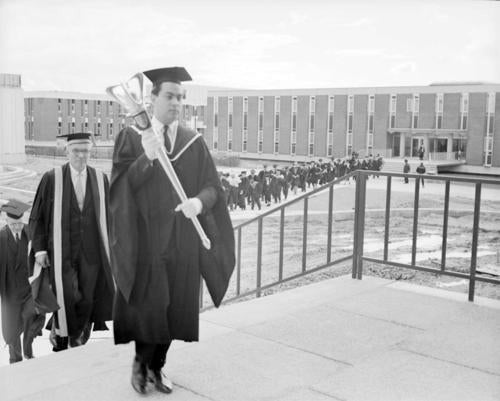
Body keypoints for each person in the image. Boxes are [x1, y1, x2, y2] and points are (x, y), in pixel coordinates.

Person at [109, 67, 235, 395]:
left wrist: (198, 203)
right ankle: (141, 365)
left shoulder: (192, 142)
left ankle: (158, 366)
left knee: (174, 309)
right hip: (147, 241)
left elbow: (213, 188)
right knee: (150, 307)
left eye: (180, 97)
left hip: (182, 240)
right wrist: (145, 159)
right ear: (152, 99)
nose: (176, 102)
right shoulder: (131, 137)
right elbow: (120, 188)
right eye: (169, 95)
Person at [29, 132, 114, 352]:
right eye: (76, 150)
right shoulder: (52, 178)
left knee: (87, 297)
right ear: (66, 151)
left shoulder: (100, 178)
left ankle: (78, 339)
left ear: (90, 151)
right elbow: (37, 216)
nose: (81, 155)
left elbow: (110, 216)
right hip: (61, 251)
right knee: (67, 295)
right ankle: (62, 337)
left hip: (92, 253)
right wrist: (39, 250)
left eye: (85, 150)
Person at [0, 200, 44, 363]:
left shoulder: (29, 233)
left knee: (32, 316)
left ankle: (28, 349)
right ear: (6, 221)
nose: (17, 227)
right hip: (10, 292)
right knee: (12, 328)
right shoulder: (1, 237)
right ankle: (15, 358)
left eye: (19, 223)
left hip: (28, 289)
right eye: (13, 224)